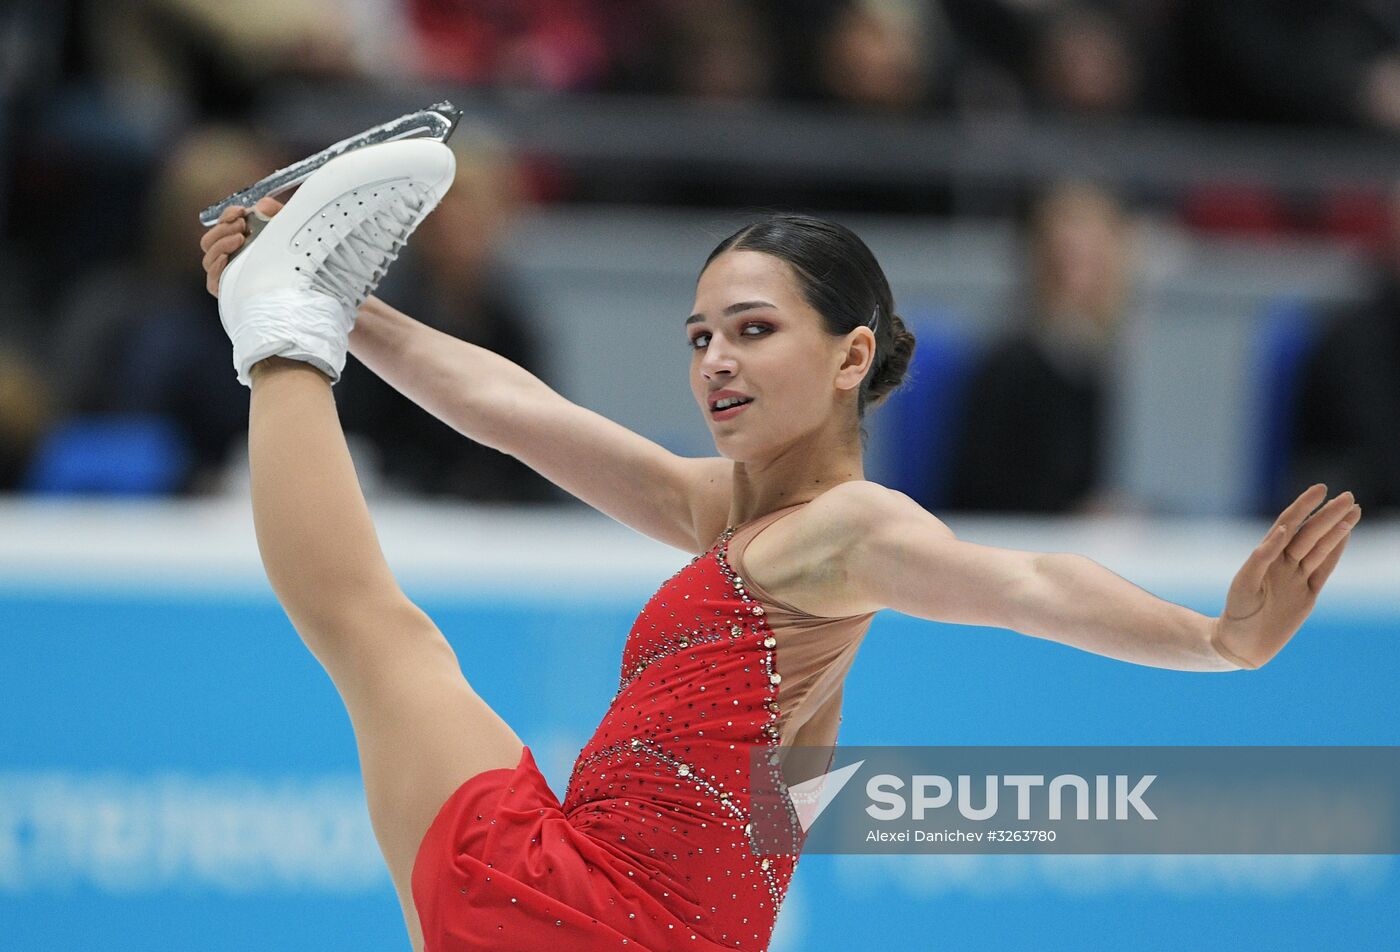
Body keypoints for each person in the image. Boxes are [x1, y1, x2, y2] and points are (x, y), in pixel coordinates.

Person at [198, 141, 1361, 951]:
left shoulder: (849, 528)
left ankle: (281, 323)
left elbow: (1027, 582)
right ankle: (294, 309)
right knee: (380, 642)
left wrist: (1214, 640)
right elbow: (515, 412)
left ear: (851, 356)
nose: (715, 360)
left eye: (752, 331)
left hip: (608, 912)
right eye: (700, 335)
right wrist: (352, 303)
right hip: (630, 908)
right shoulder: (732, 514)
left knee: (379, 637)